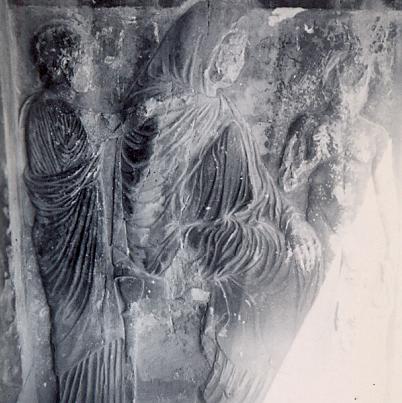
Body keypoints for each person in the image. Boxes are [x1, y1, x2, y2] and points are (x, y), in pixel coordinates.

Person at [118, 2, 322, 401]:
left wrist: (293, 221)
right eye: (232, 51)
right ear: (208, 53)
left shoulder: (223, 111)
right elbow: (155, 199)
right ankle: (239, 374)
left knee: (300, 256)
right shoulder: (172, 110)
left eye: (241, 52)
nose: (238, 62)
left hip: (231, 225)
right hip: (194, 236)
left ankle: (248, 374)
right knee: (283, 265)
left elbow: (263, 189)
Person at [277, 48, 398, 402]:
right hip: (319, 240)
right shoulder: (308, 126)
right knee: (314, 337)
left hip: (360, 248)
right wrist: (312, 157)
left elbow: (389, 202)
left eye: (359, 84)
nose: (350, 94)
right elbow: (284, 187)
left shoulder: (375, 137)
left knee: (354, 341)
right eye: (346, 83)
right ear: (332, 83)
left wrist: (392, 257)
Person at [23, 23, 127, 402]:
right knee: (79, 325)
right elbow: (73, 163)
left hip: (79, 236)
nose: (88, 67)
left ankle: (101, 392)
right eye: (83, 59)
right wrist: (112, 130)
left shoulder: (56, 111)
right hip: (67, 241)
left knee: (96, 320)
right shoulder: (50, 112)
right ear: (66, 64)